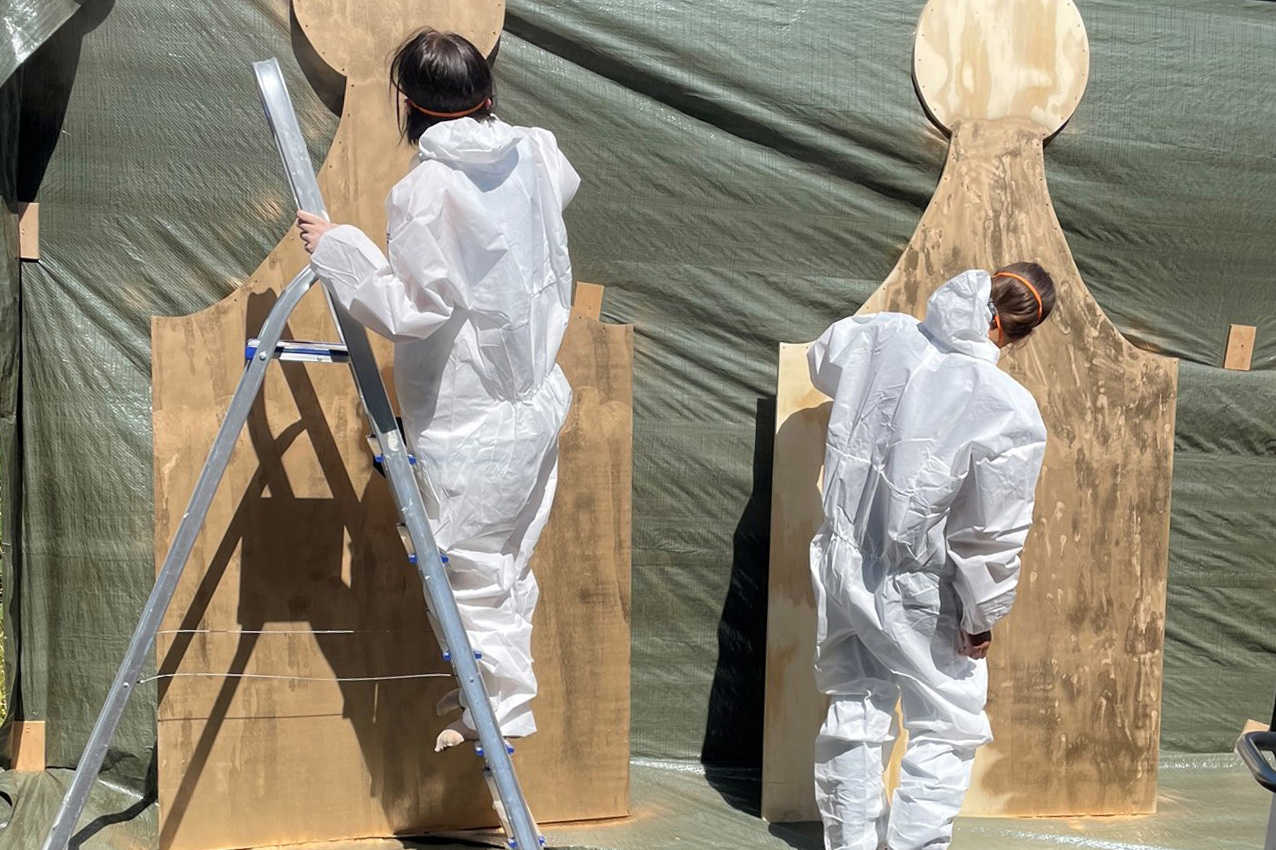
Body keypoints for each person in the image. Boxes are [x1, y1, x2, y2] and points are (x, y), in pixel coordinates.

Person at [295, 28, 580, 750]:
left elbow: (412, 310)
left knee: (466, 566)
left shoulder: (428, 189)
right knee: (505, 562)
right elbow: (556, 193)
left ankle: (496, 709)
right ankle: (499, 698)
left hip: (468, 414)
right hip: (534, 398)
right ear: (487, 91)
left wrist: (338, 248)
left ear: (409, 104)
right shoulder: (536, 151)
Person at [807, 264, 1055, 850]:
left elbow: (822, 362)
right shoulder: (1007, 406)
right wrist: (980, 615)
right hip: (915, 588)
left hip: (841, 559)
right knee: (947, 726)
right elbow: (991, 532)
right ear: (1018, 333)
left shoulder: (880, 334)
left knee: (855, 706)